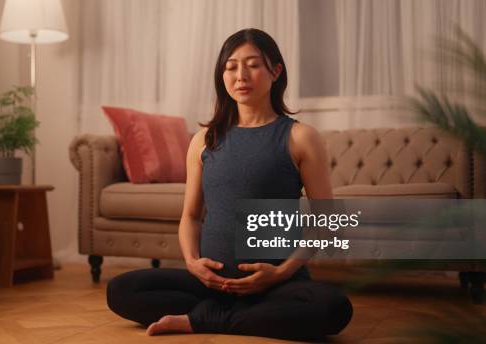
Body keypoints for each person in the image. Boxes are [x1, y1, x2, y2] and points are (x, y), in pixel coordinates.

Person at [106, 28, 353, 341]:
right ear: (221, 75)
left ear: (276, 71)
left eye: (252, 64)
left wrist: (279, 273)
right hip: (211, 284)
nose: (241, 75)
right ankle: (234, 317)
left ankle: (203, 319)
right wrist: (193, 264)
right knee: (121, 289)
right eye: (231, 66)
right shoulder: (203, 141)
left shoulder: (300, 137)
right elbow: (191, 216)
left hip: (278, 287)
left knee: (333, 308)